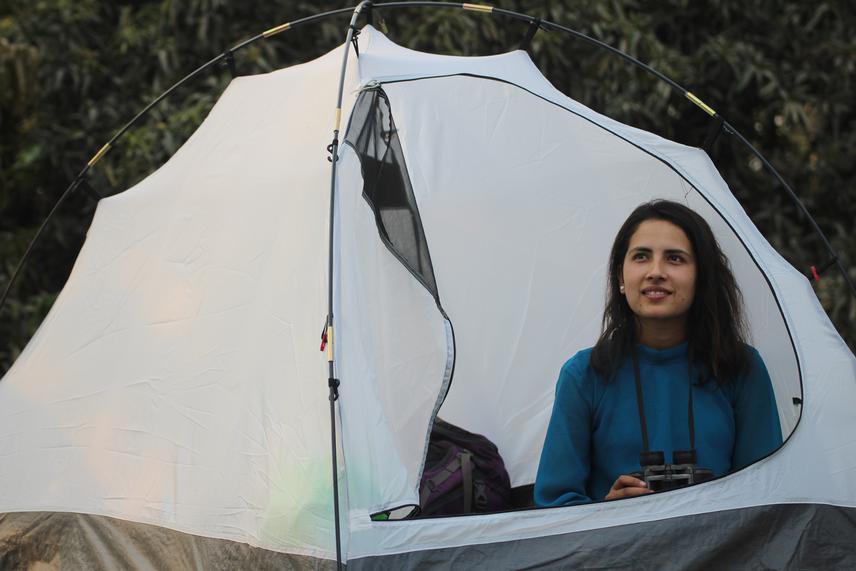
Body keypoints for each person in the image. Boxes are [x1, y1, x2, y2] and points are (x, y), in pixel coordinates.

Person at [534, 200, 782, 506]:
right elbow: (554, 501)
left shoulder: (741, 368)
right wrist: (605, 509)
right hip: (615, 551)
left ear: (701, 278)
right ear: (621, 279)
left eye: (675, 259)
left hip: (724, 549)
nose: (656, 272)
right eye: (641, 257)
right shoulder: (584, 374)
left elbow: (768, 494)